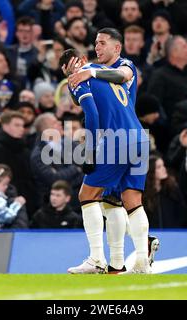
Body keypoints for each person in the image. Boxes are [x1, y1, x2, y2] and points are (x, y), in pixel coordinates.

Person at [60, 47, 151, 274]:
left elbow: (91, 114)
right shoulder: (105, 71)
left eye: (71, 67)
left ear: (80, 62)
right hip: (139, 137)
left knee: (87, 195)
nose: (72, 73)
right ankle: (141, 261)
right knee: (129, 199)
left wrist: (90, 151)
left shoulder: (82, 77)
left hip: (117, 141)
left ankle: (97, 260)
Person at [0, 111, 37, 216]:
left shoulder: (24, 150)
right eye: (17, 125)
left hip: (26, 202)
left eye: (22, 125)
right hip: (1, 205)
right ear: (5, 126)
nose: (21, 128)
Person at [143, 154, 187, 228]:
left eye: (163, 165)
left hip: (172, 233)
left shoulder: (172, 189)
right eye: (159, 167)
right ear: (151, 171)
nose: (164, 169)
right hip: (152, 234)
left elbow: (182, 212)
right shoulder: (144, 194)